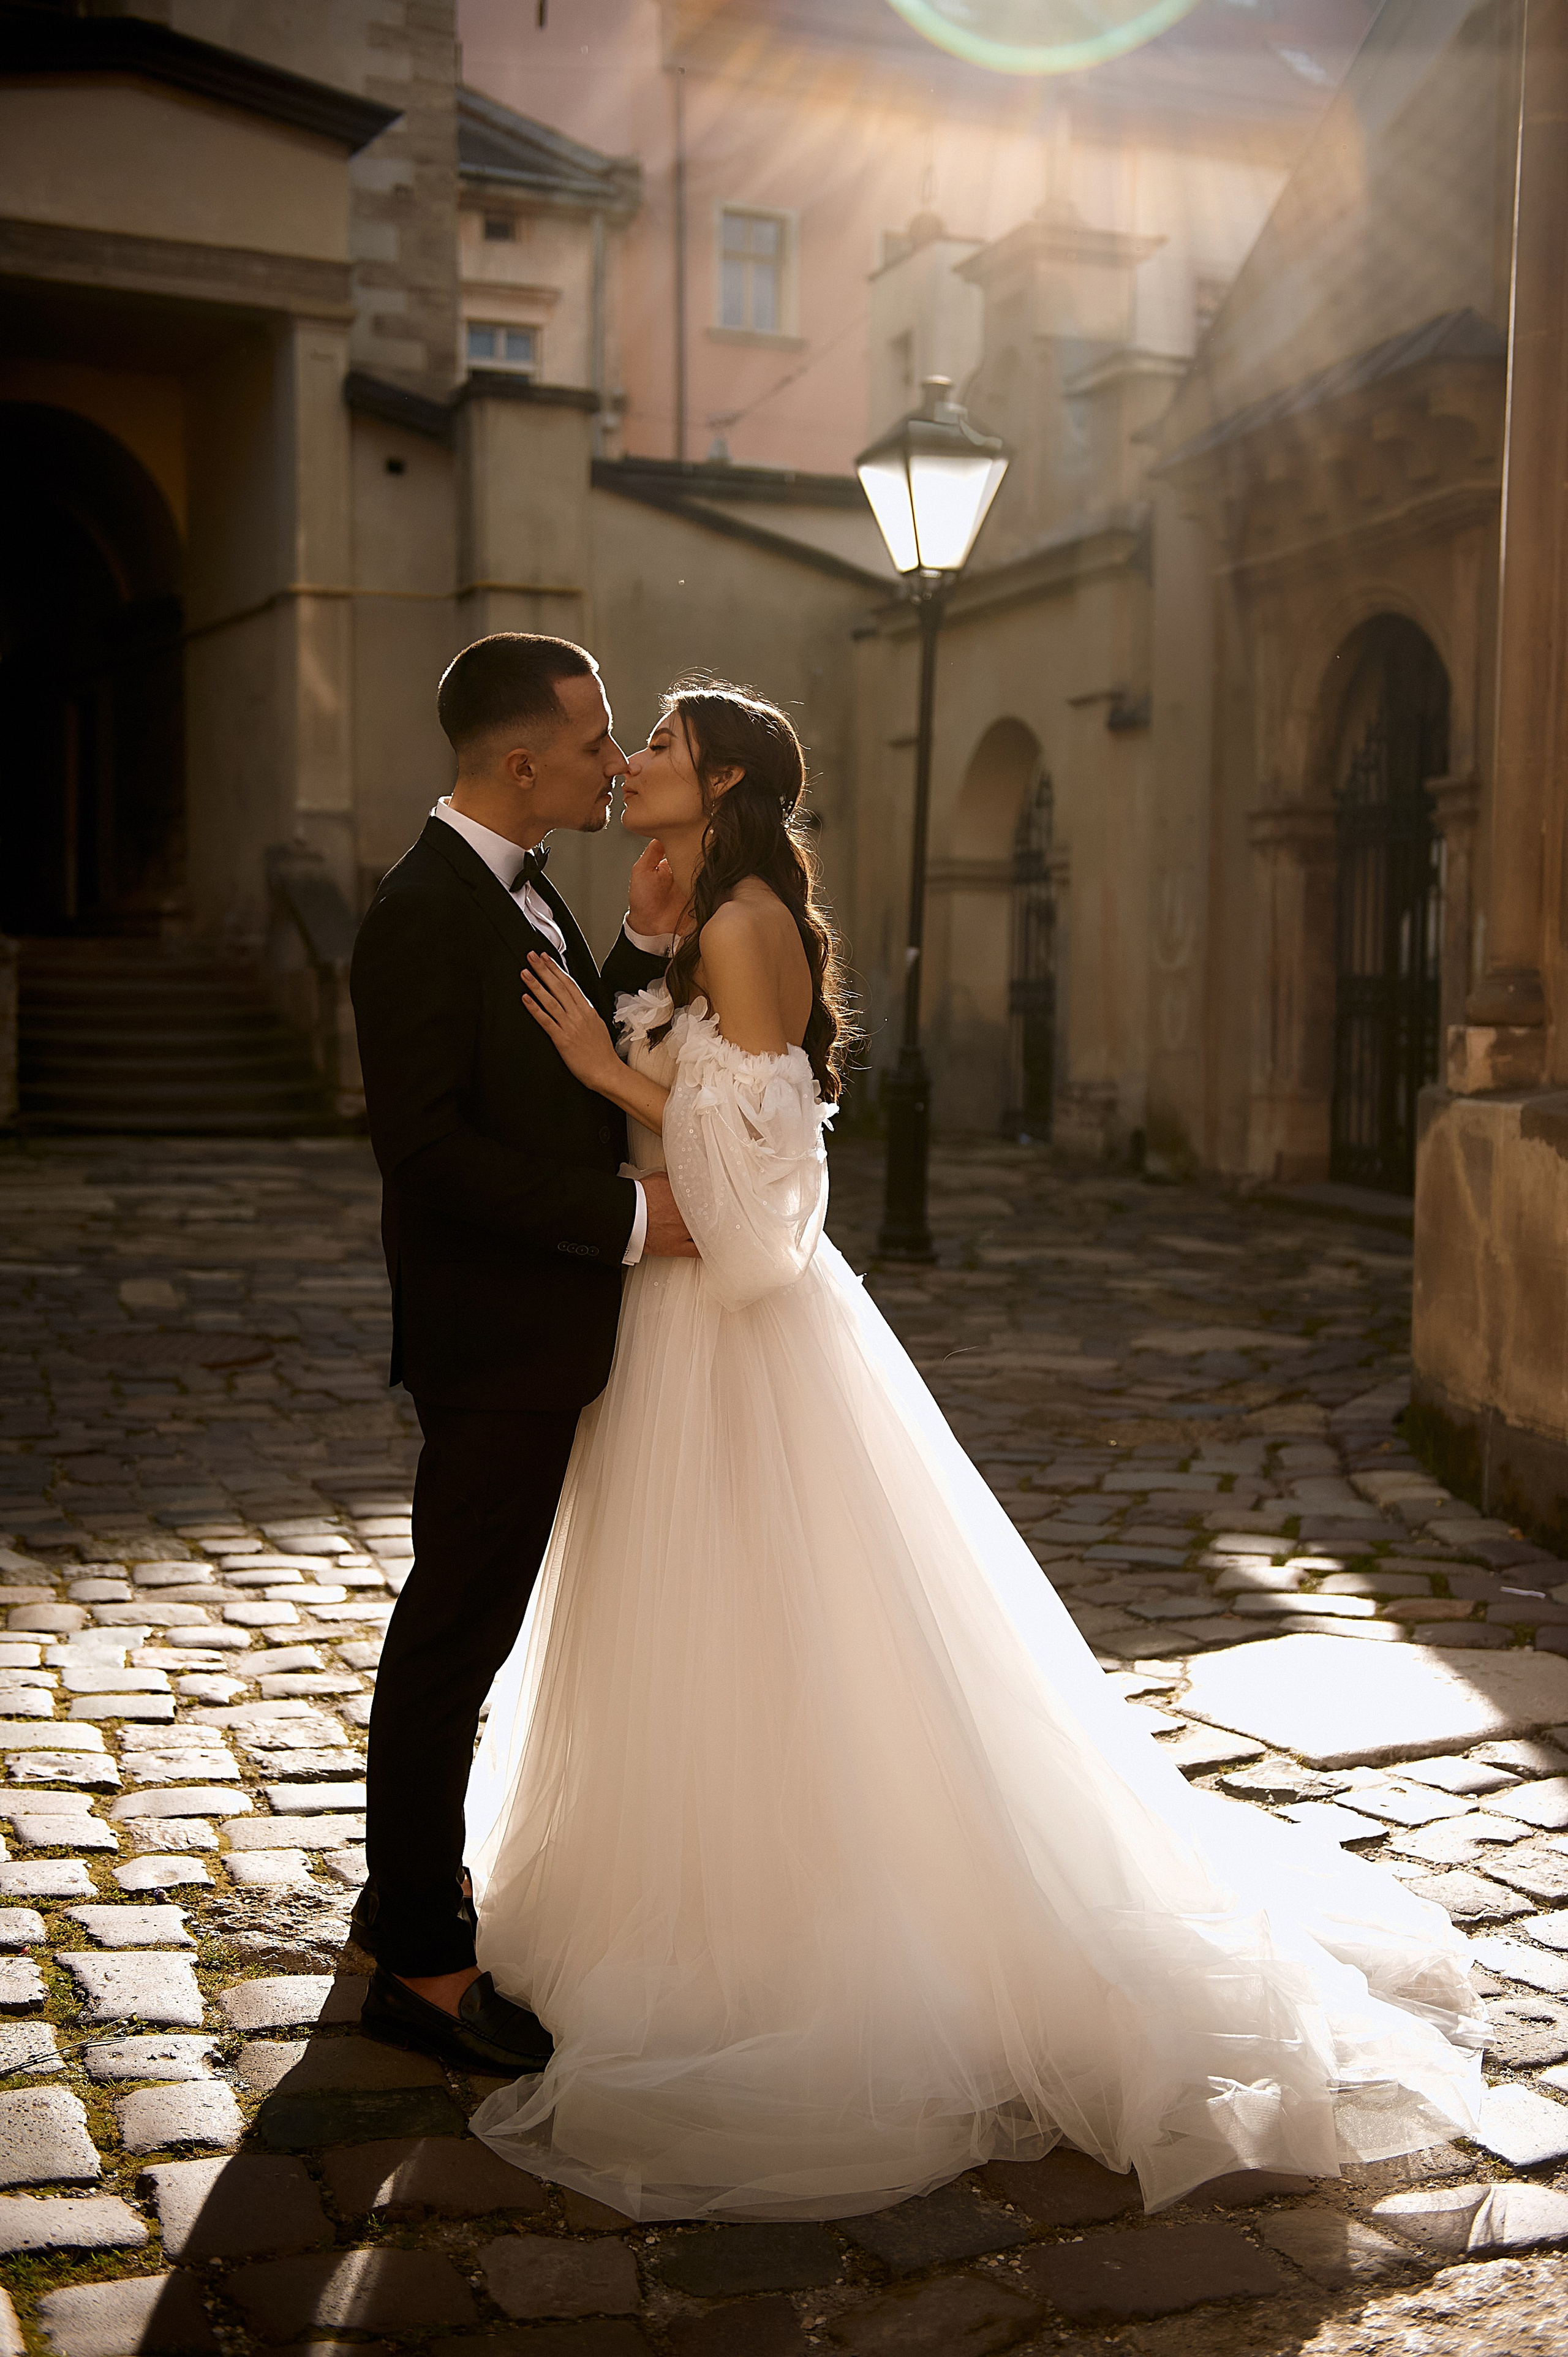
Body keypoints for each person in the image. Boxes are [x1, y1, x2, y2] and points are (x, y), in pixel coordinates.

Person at [462, 678, 1485, 2222]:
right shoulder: (702, 910)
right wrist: (645, 943)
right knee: (689, 1627)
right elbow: (715, 1099)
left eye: (657, 745)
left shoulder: (749, 923)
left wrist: (607, 1073)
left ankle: (777, 1937)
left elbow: (759, 1190)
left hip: (730, 1337)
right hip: (670, 1336)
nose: (634, 764)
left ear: (719, 773)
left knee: (770, 1621)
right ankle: (669, 1903)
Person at [347, 634, 696, 2075]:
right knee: (453, 1640)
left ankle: (397, 1913)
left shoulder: (525, 889)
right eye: (595, 737)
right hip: (493, 1343)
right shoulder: (419, 914)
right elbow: (426, 1151)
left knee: (462, 1627)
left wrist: (642, 947)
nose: (615, 759)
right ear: (517, 762)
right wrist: (629, 1215)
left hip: (541, 1336)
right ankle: (422, 1963)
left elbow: (550, 1053)